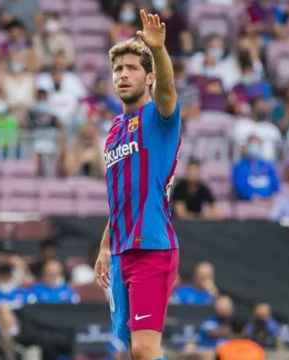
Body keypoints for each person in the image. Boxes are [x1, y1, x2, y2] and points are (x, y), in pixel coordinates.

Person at [94, 9, 182, 360]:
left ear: (148, 78)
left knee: (145, 351)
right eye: (118, 69)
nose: (123, 74)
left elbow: (168, 90)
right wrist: (104, 247)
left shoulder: (159, 118)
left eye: (131, 68)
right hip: (120, 252)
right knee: (131, 349)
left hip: (152, 249)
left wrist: (158, 51)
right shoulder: (114, 131)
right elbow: (120, 200)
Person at [232, 136, 280, 201]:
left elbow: (275, 185)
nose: (254, 148)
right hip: (247, 203)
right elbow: (240, 187)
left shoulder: (268, 165)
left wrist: (269, 196)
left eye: (256, 145)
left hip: (268, 201)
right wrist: (250, 196)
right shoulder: (240, 166)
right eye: (251, 145)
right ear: (246, 147)